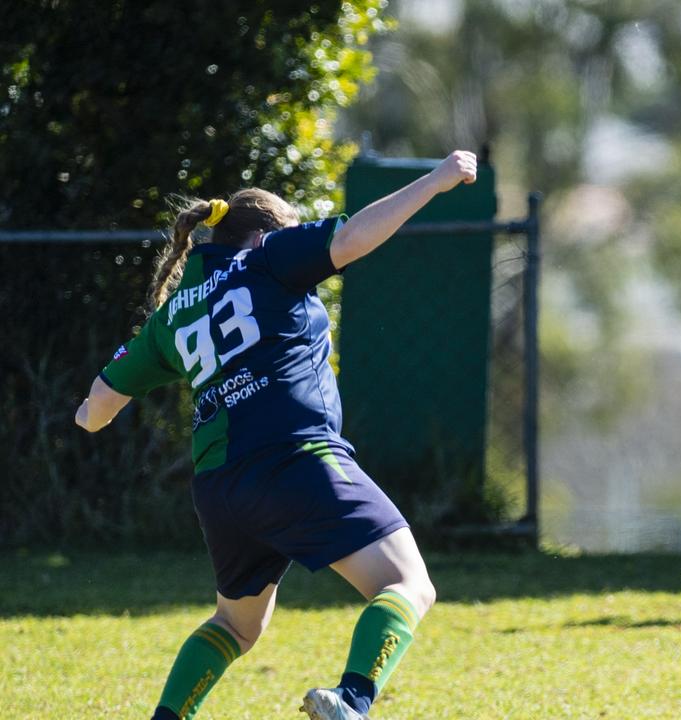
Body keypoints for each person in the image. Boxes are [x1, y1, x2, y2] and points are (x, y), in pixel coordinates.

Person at [74, 150, 479, 720]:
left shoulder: (172, 316)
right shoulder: (268, 257)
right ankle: (353, 700)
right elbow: (356, 235)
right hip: (295, 457)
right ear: (264, 234)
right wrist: (436, 182)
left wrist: (90, 412)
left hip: (220, 487)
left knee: (236, 624)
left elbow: (95, 408)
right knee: (409, 583)